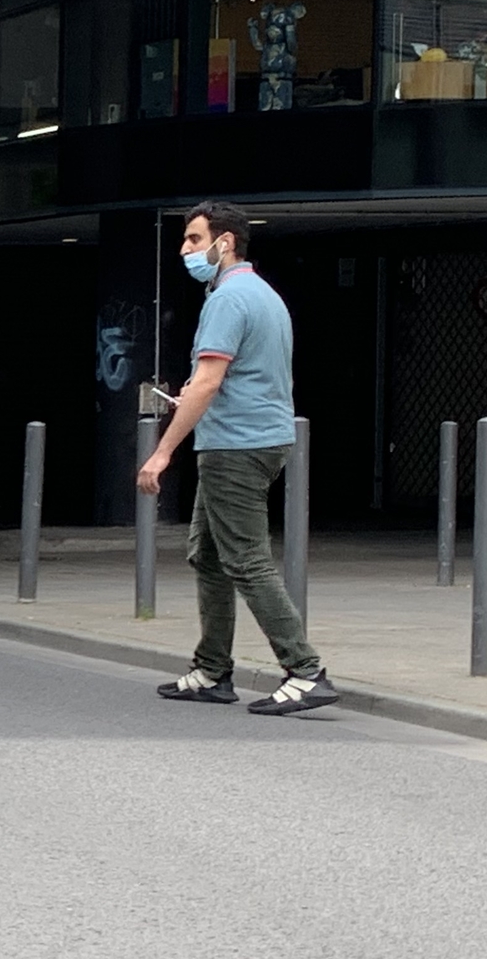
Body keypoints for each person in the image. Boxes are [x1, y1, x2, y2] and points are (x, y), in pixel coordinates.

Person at [137, 201, 339, 716]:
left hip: (236, 445)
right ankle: (211, 670)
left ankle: (305, 670)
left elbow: (208, 380)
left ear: (224, 243)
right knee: (207, 555)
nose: (185, 250)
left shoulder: (227, 300)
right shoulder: (264, 295)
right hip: (256, 437)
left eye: (193, 240)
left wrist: (162, 452)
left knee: (246, 560)